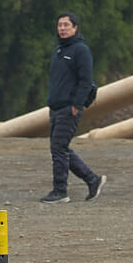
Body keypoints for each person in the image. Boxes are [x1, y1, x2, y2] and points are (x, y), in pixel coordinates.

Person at [41, 12, 104, 204]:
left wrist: (77, 105)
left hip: (69, 108)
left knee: (58, 148)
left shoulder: (80, 50)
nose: (62, 28)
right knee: (60, 147)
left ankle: (60, 191)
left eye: (66, 25)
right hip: (55, 107)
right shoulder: (59, 50)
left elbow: (86, 81)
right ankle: (92, 180)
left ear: (75, 28)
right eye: (60, 25)